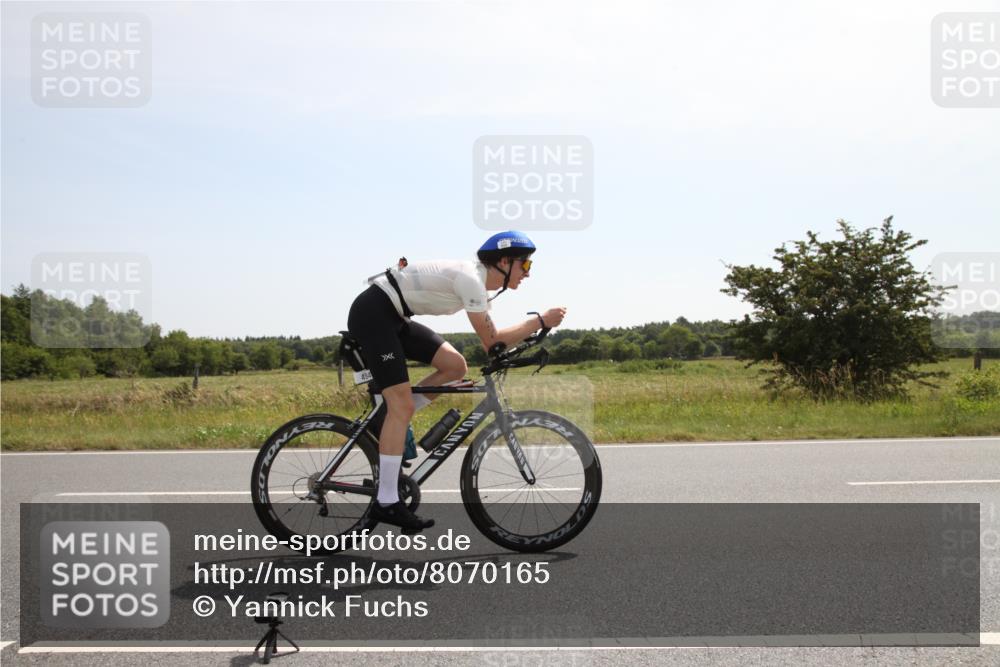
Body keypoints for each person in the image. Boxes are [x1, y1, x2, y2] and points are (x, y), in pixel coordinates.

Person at [346, 231, 566, 532]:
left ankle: (388, 419)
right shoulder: (471, 282)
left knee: (454, 366)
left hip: (395, 316)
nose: (527, 274)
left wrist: (529, 335)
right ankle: (386, 500)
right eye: (525, 266)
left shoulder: (477, 286)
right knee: (401, 405)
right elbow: (493, 341)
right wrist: (538, 321)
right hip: (374, 313)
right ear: (504, 261)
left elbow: (496, 345)